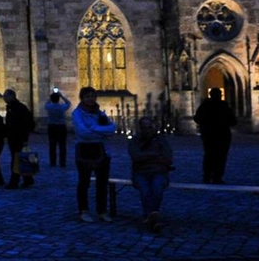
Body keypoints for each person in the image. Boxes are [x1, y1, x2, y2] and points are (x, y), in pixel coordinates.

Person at [72, 86, 117, 222]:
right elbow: (82, 133)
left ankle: (102, 211)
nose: (90, 99)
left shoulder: (100, 113)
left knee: (102, 182)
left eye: (92, 96)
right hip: (84, 150)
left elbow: (112, 128)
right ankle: (83, 210)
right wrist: (101, 132)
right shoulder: (77, 113)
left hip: (101, 150)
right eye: (87, 96)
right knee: (84, 182)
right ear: (82, 98)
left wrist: (94, 128)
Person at [127, 116, 173, 232]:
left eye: (149, 127)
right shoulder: (135, 141)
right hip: (141, 172)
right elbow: (136, 156)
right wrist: (154, 155)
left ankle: (150, 216)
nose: (147, 130)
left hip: (158, 172)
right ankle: (154, 218)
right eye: (144, 128)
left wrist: (146, 156)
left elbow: (168, 157)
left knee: (157, 187)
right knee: (145, 189)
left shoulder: (161, 140)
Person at [193, 88, 237, 183]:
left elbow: (197, 118)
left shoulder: (205, 106)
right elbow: (233, 121)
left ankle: (207, 176)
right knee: (220, 156)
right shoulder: (223, 106)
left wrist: (205, 124)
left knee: (209, 156)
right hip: (222, 135)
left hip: (209, 134)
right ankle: (217, 176)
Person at [3, 89, 35, 188]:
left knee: (16, 159)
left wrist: (25, 138)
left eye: (6, 96)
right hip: (14, 137)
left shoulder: (19, 107)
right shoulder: (12, 107)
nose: (4, 98)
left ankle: (14, 182)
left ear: (12, 96)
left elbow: (27, 123)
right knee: (21, 159)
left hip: (19, 138)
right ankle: (28, 179)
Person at [45, 90, 71, 167]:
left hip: (52, 126)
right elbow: (68, 103)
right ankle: (62, 162)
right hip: (61, 126)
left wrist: (51, 96)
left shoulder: (49, 107)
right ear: (58, 99)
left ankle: (53, 162)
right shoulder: (62, 107)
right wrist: (61, 96)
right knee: (62, 145)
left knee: (52, 145)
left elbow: (46, 103)